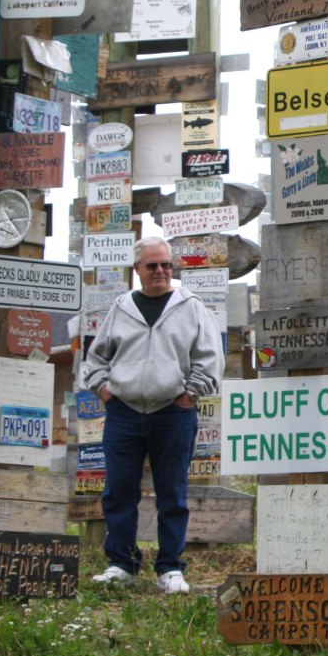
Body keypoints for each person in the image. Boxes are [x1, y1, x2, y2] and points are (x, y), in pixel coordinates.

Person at [84, 237, 225, 594]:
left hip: (172, 413)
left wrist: (189, 395)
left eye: (166, 264)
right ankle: (122, 564)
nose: (160, 271)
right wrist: (104, 390)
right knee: (118, 491)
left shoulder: (190, 307)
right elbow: (96, 356)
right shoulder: (121, 307)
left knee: (172, 494)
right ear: (138, 270)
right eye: (152, 265)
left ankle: (171, 568)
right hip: (124, 413)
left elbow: (210, 357)